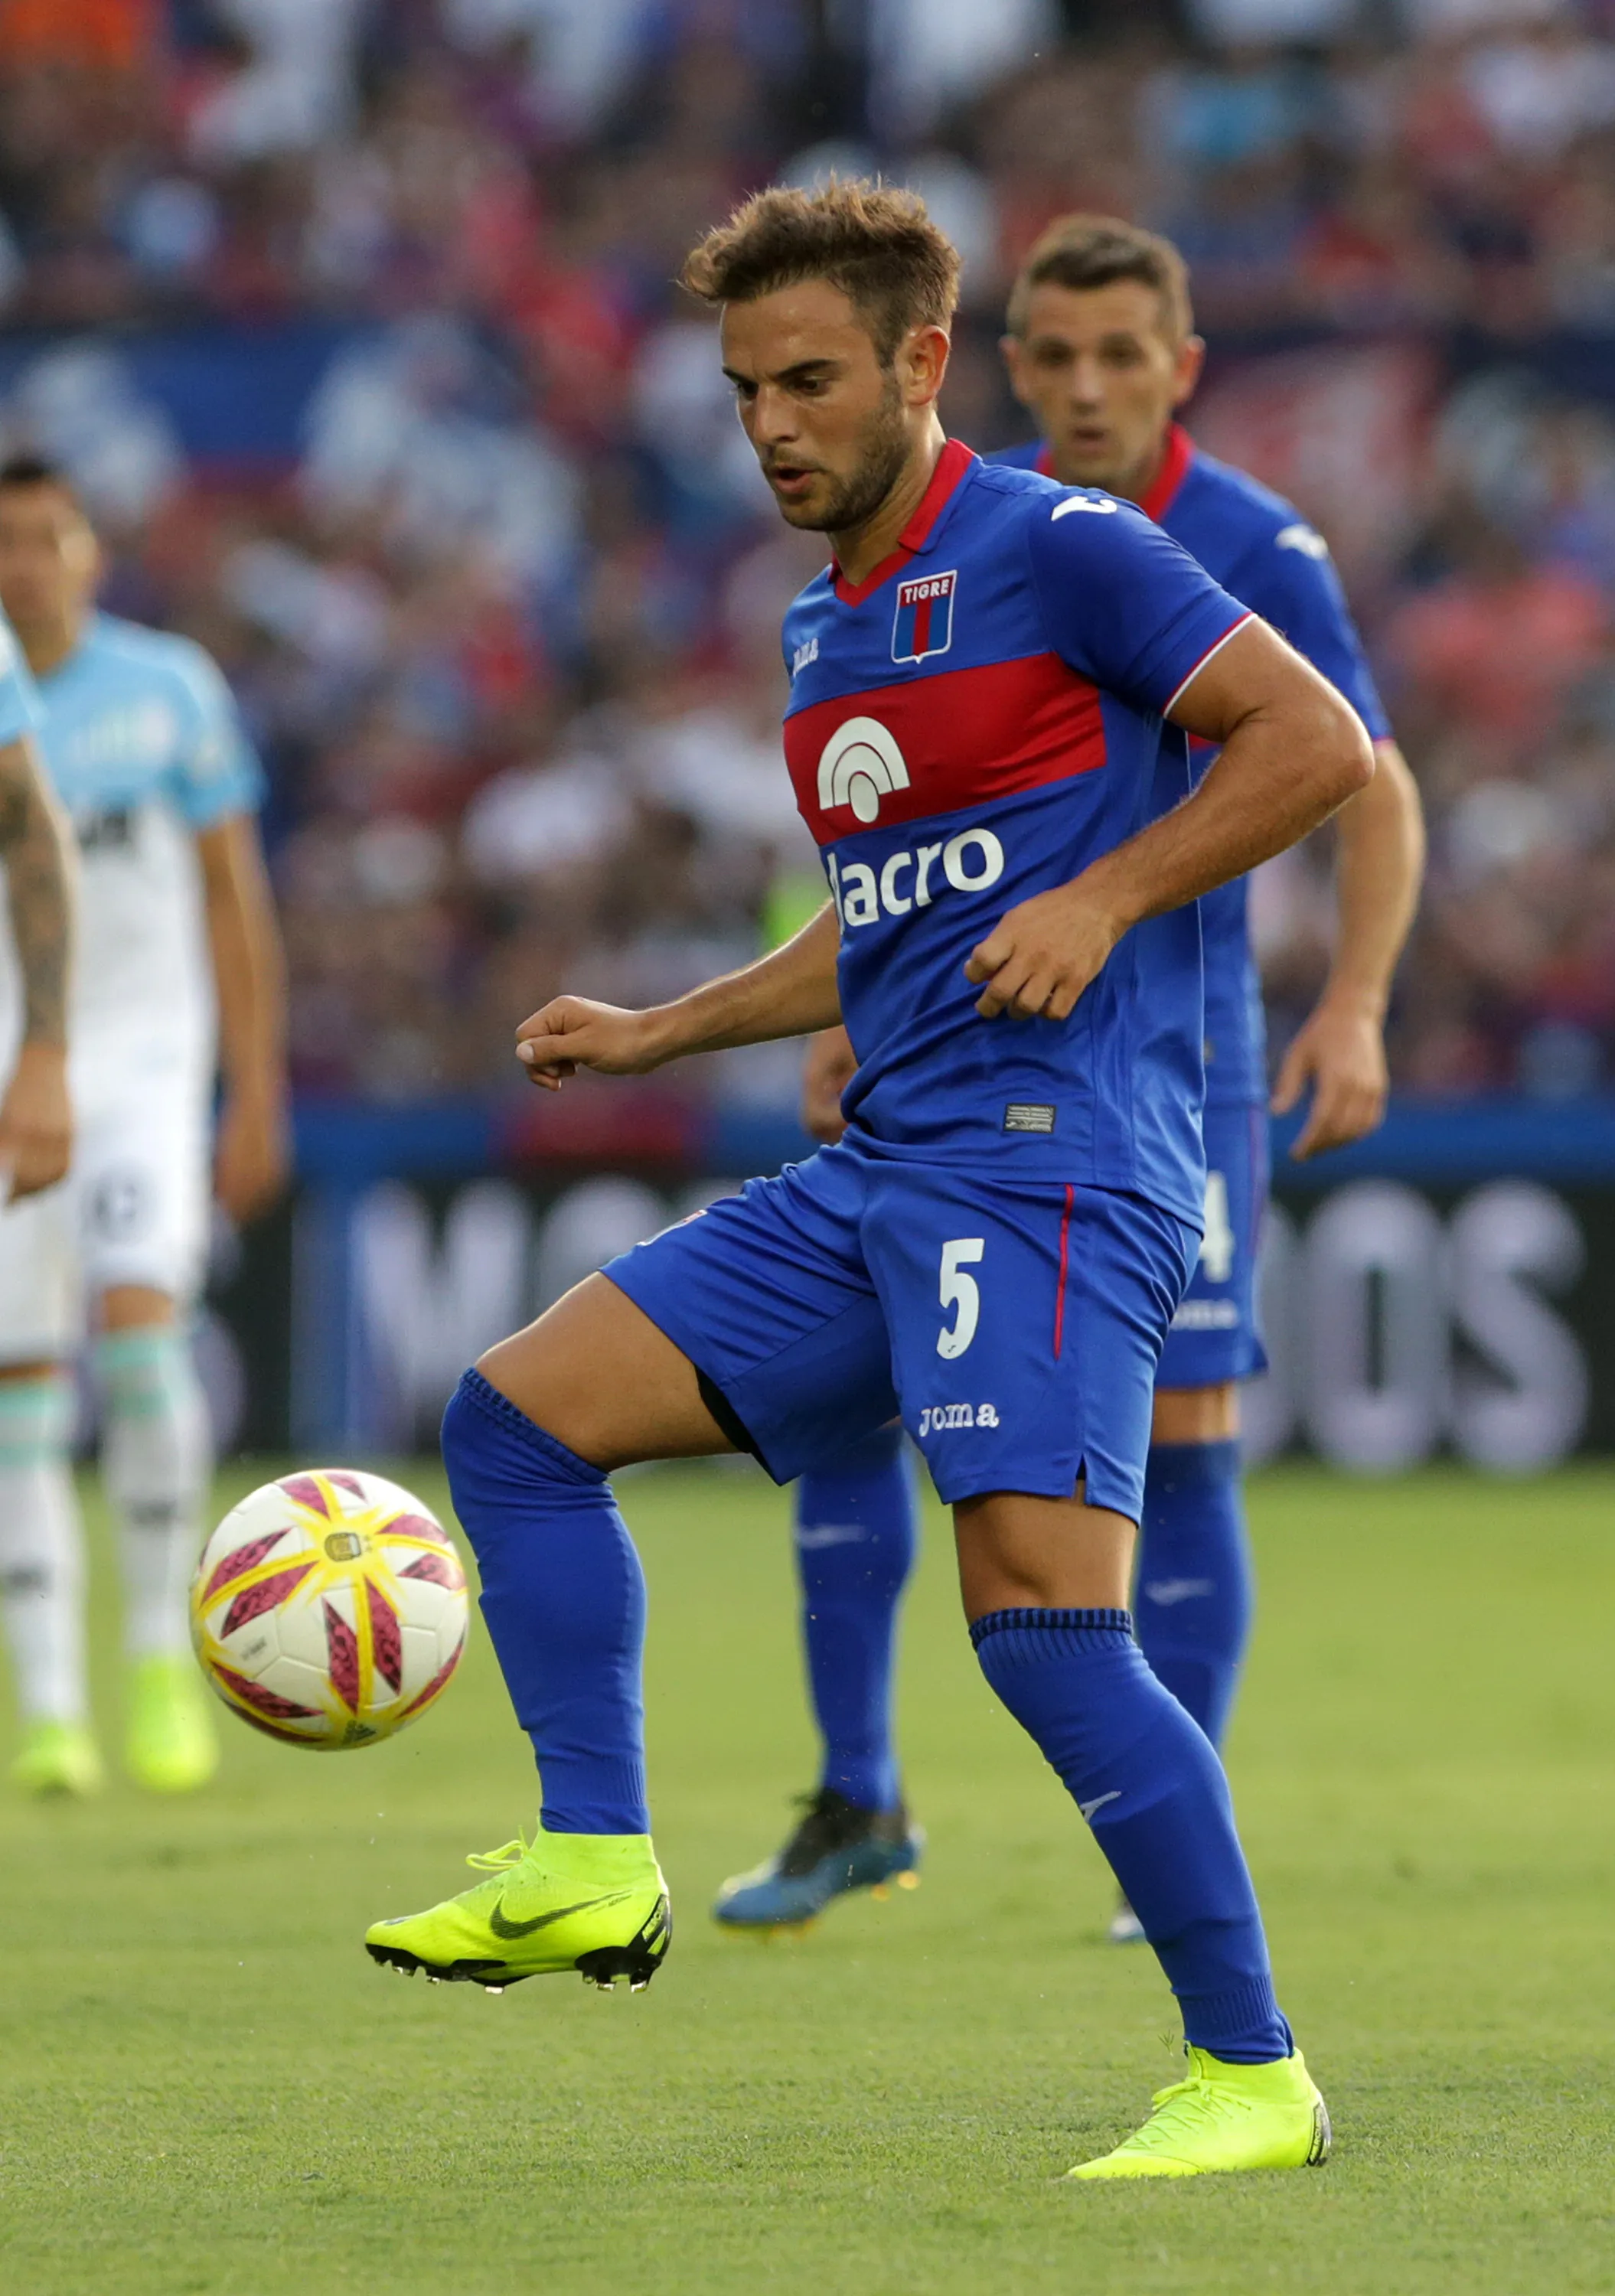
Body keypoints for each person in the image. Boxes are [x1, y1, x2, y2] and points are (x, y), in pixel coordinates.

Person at [366, 181, 1373, 2179]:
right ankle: (587, 1854)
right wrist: (664, 1031)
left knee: (1040, 1638)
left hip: (1050, 1167)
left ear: (921, 364)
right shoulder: (824, 622)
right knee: (513, 1415)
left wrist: (1104, 893)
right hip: (881, 1165)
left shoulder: (1063, 546)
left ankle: (1248, 2072)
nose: (768, 427)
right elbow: (881, 915)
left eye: (807, 380)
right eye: (742, 389)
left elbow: (1316, 742)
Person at [715, 213, 1425, 1940]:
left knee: (1173, 1440)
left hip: (1159, 1061)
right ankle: (859, 1789)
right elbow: (908, 817)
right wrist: (845, 995)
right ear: (991, 362)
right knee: (840, 1398)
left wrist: (1352, 1004)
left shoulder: (1245, 538)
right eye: (1056, 355)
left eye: (1124, 356)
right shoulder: (959, 519)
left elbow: (1363, 778)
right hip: (949, 1034)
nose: (1087, 386)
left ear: (1181, 368)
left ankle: (1167, 1834)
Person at [0, 458, 288, 1799]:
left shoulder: (169, 689)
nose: (23, 566)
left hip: (145, 1065)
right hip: (12, 1073)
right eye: (3, 544)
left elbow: (235, 899)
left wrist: (257, 1089)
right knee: (18, 1385)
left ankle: (163, 1661)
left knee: (134, 1325)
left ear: (89, 553)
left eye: (45, 539)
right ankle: (52, 1708)